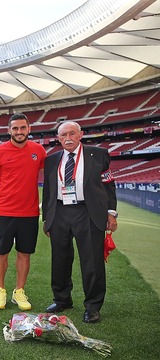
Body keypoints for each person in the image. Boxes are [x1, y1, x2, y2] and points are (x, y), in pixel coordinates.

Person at [42, 121, 118, 323]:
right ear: (58, 138)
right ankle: (62, 299)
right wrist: (46, 219)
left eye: (72, 133)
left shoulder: (99, 155)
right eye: (63, 134)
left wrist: (111, 213)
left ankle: (93, 306)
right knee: (60, 260)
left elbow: (109, 185)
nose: (68, 137)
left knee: (92, 261)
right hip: (59, 212)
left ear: (81, 134)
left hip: (88, 212)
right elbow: (48, 191)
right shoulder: (51, 160)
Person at [0, 113, 47, 311]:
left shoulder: (38, 151)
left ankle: (19, 291)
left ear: (29, 129)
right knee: (1, 253)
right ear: (9, 130)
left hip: (29, 213)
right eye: (15, 128)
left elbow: (50, 178)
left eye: (22, 128)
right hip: (4, 212)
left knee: (24, 254)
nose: (19, 132)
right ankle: (0, 290)